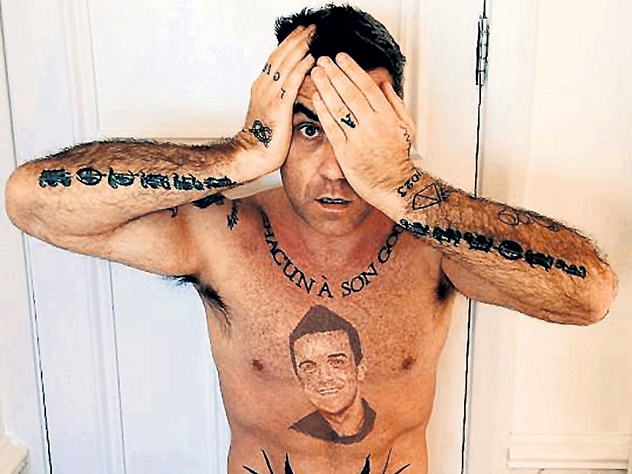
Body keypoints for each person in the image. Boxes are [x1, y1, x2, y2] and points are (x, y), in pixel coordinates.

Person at [4, 4, 617, 474]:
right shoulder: (223, 235)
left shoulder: (434, 241)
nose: (334, 169)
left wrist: (403, 186)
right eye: (309, 129)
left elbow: (590, 295)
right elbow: (30, 201)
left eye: (355, 129)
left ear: (396, 128)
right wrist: (238, 154)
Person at [288, 305, 375, 445]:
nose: (324, 378)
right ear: (299, 379)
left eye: (336, 362)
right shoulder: (291, 438)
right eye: (309, 367)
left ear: (360, 369)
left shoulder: (390, 425)